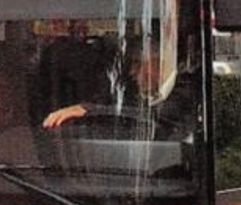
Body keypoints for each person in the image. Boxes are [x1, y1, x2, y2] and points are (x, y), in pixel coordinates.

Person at [41, 40, 197, 138]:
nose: (132, 72)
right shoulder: (141, 94)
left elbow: (154, 123)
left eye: (137, 63)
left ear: (159, 62)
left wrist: (89, 110)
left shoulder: (184, 88)